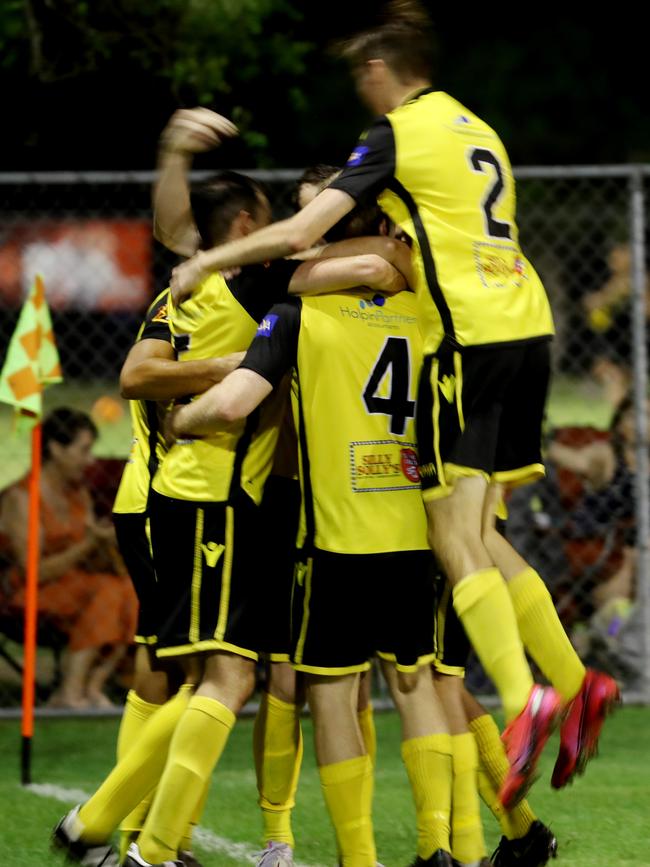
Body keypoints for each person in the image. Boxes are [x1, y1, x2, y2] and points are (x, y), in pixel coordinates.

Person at [168, 0, 619, 807]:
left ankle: (526, 704)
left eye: (359, 74)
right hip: (529, 325)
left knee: (454, 533)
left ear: (380, 73)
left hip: (471, 342)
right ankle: (574, 683)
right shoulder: (477, 127)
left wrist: (212, 261)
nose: (357, 90)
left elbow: (305, 229)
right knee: (481, 533)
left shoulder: (395, 136)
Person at [1, 408, 138, 709]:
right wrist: (89, 543)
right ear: (55, 449)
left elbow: (91, 554)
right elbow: (34, 572)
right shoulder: (21, 498)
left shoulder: (79, 494)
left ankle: (93, 685)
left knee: (128, 588)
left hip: (76, 584)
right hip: (27, 592)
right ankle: (72, 690)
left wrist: (106, 541)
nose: (90, 461)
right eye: (83, 450)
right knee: (107, 592)